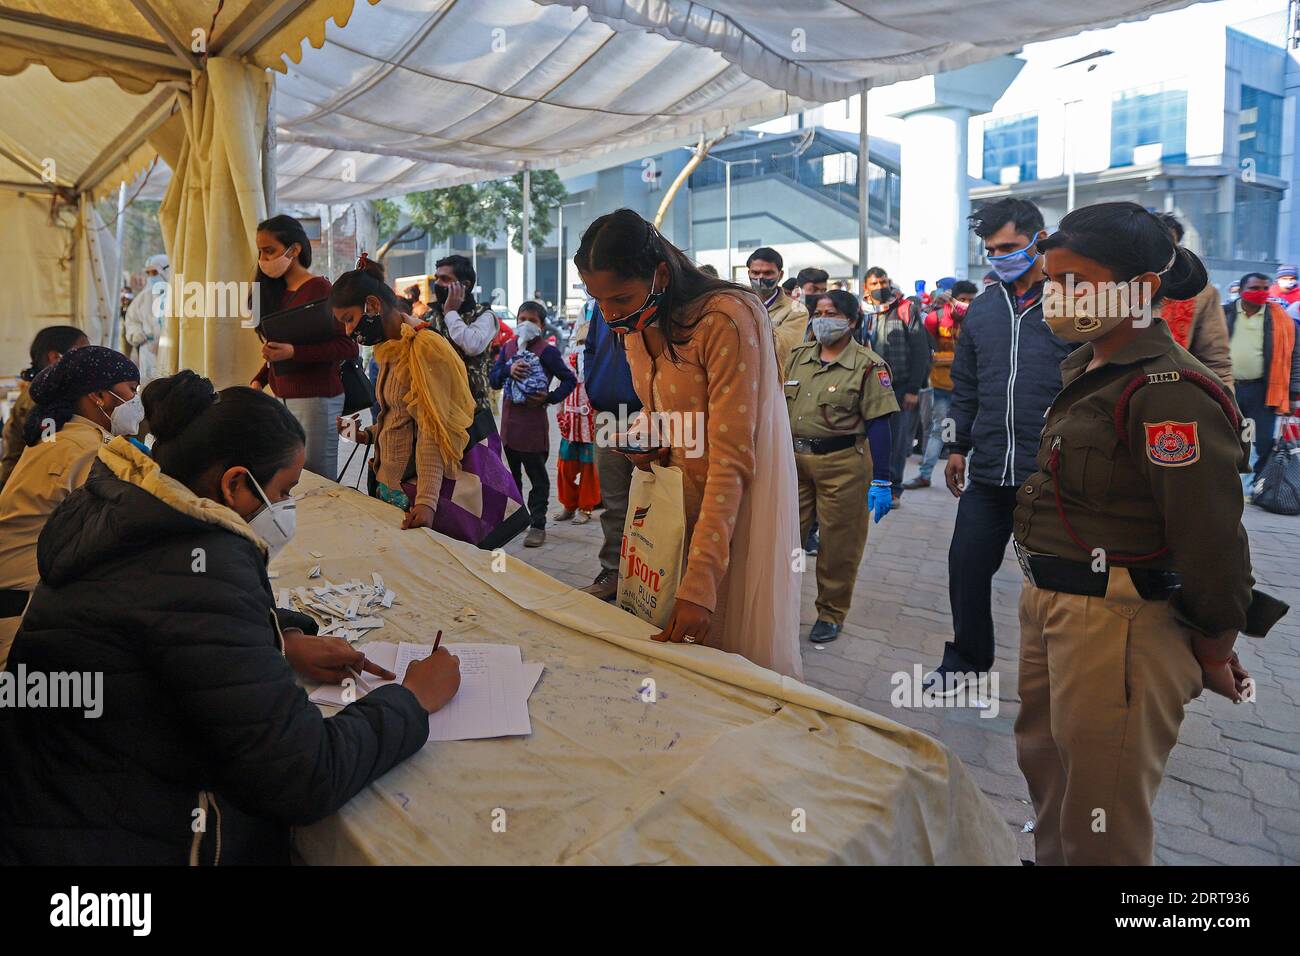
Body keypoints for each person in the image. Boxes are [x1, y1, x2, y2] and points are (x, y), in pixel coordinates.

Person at [0, 373, 461, 864]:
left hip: (46, 807)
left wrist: (277, 641)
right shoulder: (201, 565)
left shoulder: (118, 509)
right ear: (236, 483)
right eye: (284, 491)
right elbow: (304, 776)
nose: (286, 509)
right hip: (130, 839)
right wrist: (411, 701)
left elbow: (159, 631)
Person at [1013, 201, 1287, 865]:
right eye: (1052, 282)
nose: (1058, 297)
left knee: (1102, 824)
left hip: (1120, 624)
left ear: (1140, 289)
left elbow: (1211, 539)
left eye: (1076, 282)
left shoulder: (1169, 391)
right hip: (1054, 606)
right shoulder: (1089, 369)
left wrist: (1216, 643)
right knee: (1053, 788)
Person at [575, 209, 802, 679]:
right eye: (598, 300)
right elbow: (662, 413)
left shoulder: (725, 318)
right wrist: (646, 441)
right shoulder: (635, 322)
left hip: (722, 524)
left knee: (718, 671)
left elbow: (732, 459)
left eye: (620, 298)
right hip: (668, 514)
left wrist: (700, 583)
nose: (610, 315)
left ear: (659, 274)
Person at [929, 197, 1074, 695]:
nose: (999, 256)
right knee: (966, 565)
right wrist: (956, 447)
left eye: (1009, 246)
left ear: (1039, 238)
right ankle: (967, 661)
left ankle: (1064, 678)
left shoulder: (1072, 302)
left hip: (1055, 475)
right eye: (990, 249)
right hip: (989, 472)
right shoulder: (985, 309)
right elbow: (965, 386)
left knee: (1058, 583)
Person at [0, 346, 140, 668]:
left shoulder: (61, 438)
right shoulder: (87, 450)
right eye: (131, 390)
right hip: (25, 617)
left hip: (19, 603)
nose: (137, 400)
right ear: (99, 396)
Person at [330, 256, 476, 531]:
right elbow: (397, 416)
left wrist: (426, 502)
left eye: (349, 320)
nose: (349, 331)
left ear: (372, 305)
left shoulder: (424, 348)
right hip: (388, 485)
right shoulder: (390, 348)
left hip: (413, 495)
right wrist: (365, 435)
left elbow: (432, 433)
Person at [785, 290, 897, 644]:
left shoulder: (868, 365)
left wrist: (882, 479)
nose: (821, 319)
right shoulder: (797, 357)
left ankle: (830, 613)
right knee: (785, 539)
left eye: (830, 313)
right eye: (817, 312)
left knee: (838, 546)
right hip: (793, 463)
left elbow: (880, 424)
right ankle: (779, 607)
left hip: (843, 465)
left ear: (850, 321)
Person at [250, 214, 355, 480]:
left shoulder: (320, 289)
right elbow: (282, 347)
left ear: (294, 249)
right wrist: (259, 380)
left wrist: (295, 353)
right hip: (281, 397)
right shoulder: (271, 292)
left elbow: (348, 346)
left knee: (318, 478)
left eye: (269, 250)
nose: (263, 258)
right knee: (292, 478)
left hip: (317, 399)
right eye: (260, 251)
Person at [489, 301, 577, 547]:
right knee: (511, 478)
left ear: (542, 325)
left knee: (538, 478)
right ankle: (517, 520)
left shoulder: (546, 352)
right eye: (521, 319)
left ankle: (538, 525)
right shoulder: (507, 349)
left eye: (532, 320)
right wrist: (509, 369)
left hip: (533, 428)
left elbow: (569, 379)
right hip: (509, 427)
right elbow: (494, 381)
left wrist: (550, 398)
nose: (525, 324)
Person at [580, 302, 642, 600]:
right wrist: (594, 386)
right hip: (607, 414)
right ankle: (613, 571)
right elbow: (590, 347)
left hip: (650, 415)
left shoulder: (652, 292)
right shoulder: (601, 302)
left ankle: (646, 577)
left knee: (651, 505)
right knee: (614, 502)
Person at [858, 267, 930, 505]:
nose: (880, 287)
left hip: (899, 387)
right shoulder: (861, 311)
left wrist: (913, 388)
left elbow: (921, 351)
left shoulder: (905, 309)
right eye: (875, 284)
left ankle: (895, 488)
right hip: (866, 386)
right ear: (866, 288)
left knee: (897, 440)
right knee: (868, 438)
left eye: (883, 282)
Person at [1226, 272, 1299, 485]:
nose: (1261, 293)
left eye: (1265, 289)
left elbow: (1294, 357)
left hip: (1262, 391)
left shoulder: (1280, 319)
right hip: (1227, 388)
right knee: (1227, 437)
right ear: (1240, 291)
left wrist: (1294, 394)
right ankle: (1225, 482)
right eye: (1254, 288)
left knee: (1263, 441)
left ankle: (1257, 484)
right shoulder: (1224, 314)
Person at [905, 279, 978, 490]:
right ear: (952, 297)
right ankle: (926, 474)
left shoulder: (980, 319)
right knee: (941, 429)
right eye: (962, 299)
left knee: (975, 430)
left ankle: (974, 480)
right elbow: (926, 352)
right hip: (943, 385)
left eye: (971, 300)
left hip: (973, 386)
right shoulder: (935, 318)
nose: (966, 304)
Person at [0, 326, 88, 492]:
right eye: (83, 353)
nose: (89, 360)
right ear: (55, 357)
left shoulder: (46, 393)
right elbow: (49, 452)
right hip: (24, 489)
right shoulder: (42, 399)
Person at [1152, 214, 1232, 386]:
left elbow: (1215, 358)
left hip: (1175, 393)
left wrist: (1226, 404)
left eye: (1167, 245)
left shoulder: (1200, 293)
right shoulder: (1112, 286)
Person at [423, 254, 498, 416]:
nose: (437, 283)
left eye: (444, 279)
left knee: (483, 443)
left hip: (475, 410)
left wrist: (450, 312)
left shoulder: (484, 315)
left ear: (464, 285)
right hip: (438, 407)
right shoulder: (428, 317)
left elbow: (471, 345)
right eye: (436, 278)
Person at [553, 350, 601, 525]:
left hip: (590, 428)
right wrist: (560, 416)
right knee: (565, 468)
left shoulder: (596, 363)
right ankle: (569, 505)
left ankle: (585, 507)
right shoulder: (566, 364)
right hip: (570, 426)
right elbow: (559, 390)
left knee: (589, 470)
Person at [747, 246, 809, 374]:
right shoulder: (738, 302)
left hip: (775, 381)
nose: (760, 278)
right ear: (748, 273)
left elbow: (782, 350)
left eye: (768, 273)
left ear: (780, 275)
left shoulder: (796, 310)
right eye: (755, 273)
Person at [122, 253, 169, 381]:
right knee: (150, 388)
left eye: (155, 272)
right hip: (148, 352)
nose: (151, 277)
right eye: (148, 273)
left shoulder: (179, 295)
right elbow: (132, 320)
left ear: (167, 269)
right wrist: (137, 334)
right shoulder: (143, 298)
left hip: (172, 349)